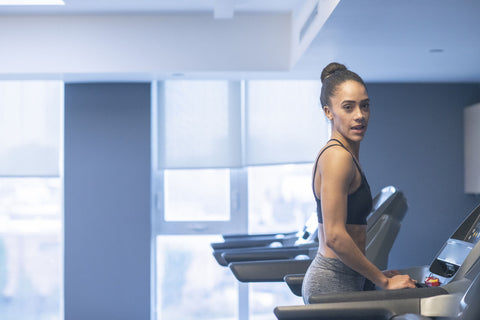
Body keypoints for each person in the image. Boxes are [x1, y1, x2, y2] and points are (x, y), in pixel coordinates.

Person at [301, 62, 416, 304]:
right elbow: (334, 236)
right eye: (348, 107)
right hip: (332, 283)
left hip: (345, 277)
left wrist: (373, 276)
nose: (360, 115)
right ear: (328, 112)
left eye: (365, 106)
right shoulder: (337, 157)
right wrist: (383, 281)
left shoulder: (344, 154)